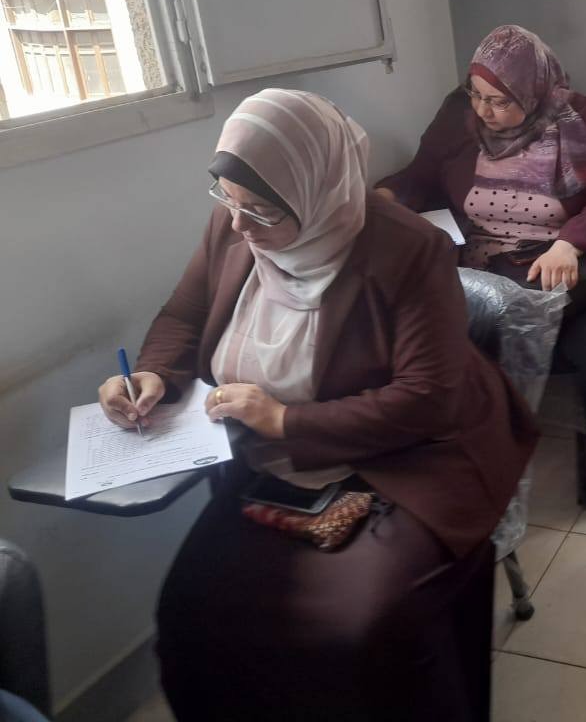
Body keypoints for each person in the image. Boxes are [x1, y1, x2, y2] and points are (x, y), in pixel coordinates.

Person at [96, 89, 537, 721]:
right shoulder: (232, 227)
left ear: (316, 190)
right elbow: (183, 316)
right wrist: (152, 375)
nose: (240, 226)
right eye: (228, 200)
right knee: (192, 614)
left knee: (362, 631)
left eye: (261, 211)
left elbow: (427, 399)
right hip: (273, 464)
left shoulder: (407, 248)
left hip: (405, 462)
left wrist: (285, 420)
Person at [376, 25, 586, 549]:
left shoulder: (578, 117)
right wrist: (387, 197)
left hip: (561, 273)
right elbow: (422, 176)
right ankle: (467, 485)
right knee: (434, 354)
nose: (484, 110)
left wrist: (569, 244)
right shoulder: (459, 114)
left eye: (500, 101)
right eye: (476, 95)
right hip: (483, 273)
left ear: (533, 90)